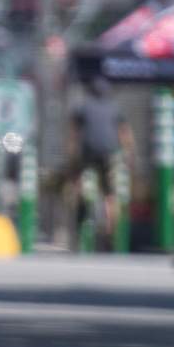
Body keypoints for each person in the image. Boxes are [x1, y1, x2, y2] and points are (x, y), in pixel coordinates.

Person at [68, 76, 134, 246]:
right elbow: (125, 134)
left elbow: (73, 133)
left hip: (88, 153)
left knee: (79, 183)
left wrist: (72, 156)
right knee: (110, 194)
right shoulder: (115, 107)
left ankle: (80, 222)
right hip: (110, 154)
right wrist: (128, 155)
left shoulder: (83, 107)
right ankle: (111, 232)